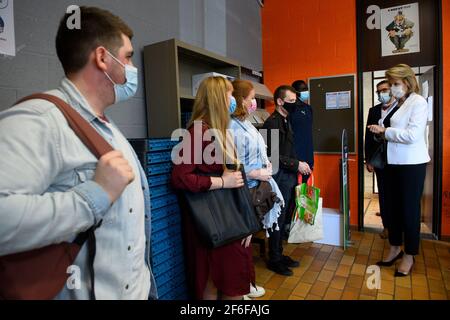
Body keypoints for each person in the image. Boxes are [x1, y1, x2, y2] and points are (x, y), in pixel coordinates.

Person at [0, 7, 156, 299]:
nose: (132, 66)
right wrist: (94, 195)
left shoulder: (106, 126)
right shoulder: (41, 120)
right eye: (128, 56)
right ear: (101, 58)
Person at [171, 77, 255, 300]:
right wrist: (220, 182)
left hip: (230, 221)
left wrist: (246, 222)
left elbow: (238, 178)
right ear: (218, 98)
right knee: (213, 283)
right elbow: (180, 178)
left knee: (233, 284)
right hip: (212, 225)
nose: (233, 100)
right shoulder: (197, 132)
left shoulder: (222, 131)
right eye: (229, 95)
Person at [368, 64, 430, 277]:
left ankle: (409, 255)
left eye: (395, 84)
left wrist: (385, 131)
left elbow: (412, 135)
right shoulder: (401, 103)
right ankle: (394, 247)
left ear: (407, 82)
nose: (392, 88)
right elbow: (395, 131)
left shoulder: (418, 102)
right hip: (393, 163)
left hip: (412, 165)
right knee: (393, 208)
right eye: (391, 84)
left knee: (409, 211)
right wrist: (381, 132)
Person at [228, 80, 269, 298]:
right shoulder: (231, 126)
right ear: (239, 99)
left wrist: (265, 165)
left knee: (247, 241)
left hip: (252, 188)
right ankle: (240, 287)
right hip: (242, 189)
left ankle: (246, 284)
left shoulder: (247, 122)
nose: (254, 102)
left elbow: (256, 151)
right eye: (251, 98)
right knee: (240, 242)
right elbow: (233, 162)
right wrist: (255, 172)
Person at [262, 85, 304, 276]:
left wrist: (298, 166)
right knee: (276, 218)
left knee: (284, 215)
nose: (295, 105)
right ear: (280, 101)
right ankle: (274, 258)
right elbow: (272, 156)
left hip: (288, 176)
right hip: (278, 177)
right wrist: (297, 165)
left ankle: (279, 253)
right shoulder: (271, 123)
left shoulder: (286, 120)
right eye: (292, 101)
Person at [365, 80, 397, 239]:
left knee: (397, 195)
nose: (381, 94)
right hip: (380, 159)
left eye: (384, 90)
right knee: (384, 194)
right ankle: (387, 226)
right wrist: (368, 159)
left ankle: (400, 228)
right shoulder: (374, 110)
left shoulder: (401, 108)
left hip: (398, 158)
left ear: (392, 90)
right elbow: (368, 137)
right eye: (379, 91)